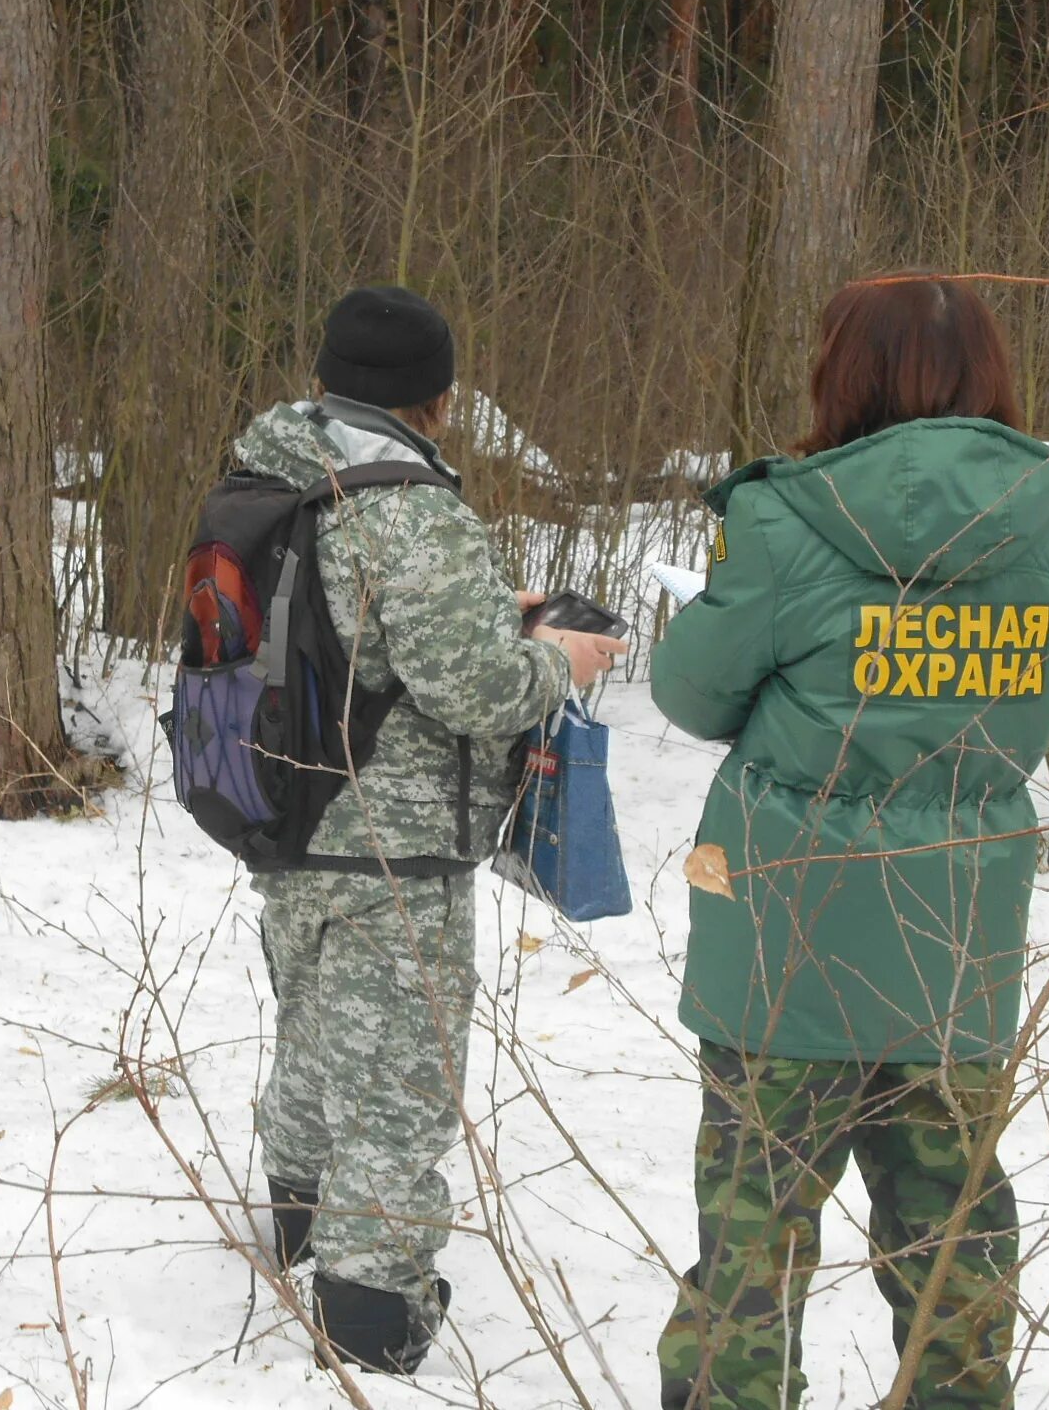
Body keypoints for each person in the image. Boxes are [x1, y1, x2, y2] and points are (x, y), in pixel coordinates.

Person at [650, 276, 1049, 1410]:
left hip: (788, 927)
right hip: (952, 924)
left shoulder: (784, 516)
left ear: (840, 374)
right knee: (953, 1239)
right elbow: (1023, 718)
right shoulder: (1046, 522)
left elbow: (695, 693)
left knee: (756, 1236)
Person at [229, 285, 627, 1375]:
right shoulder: (410, 506)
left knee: (316, 1036)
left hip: (287, 815)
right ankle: (371, 1313)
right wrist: (562, 659)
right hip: (390, 843)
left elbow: (347, 628)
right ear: (439, 402)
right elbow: (478, 692)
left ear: (327, 378)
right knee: (401, 1084)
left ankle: (300, 1223)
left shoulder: (271, 475)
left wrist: (497, 615)